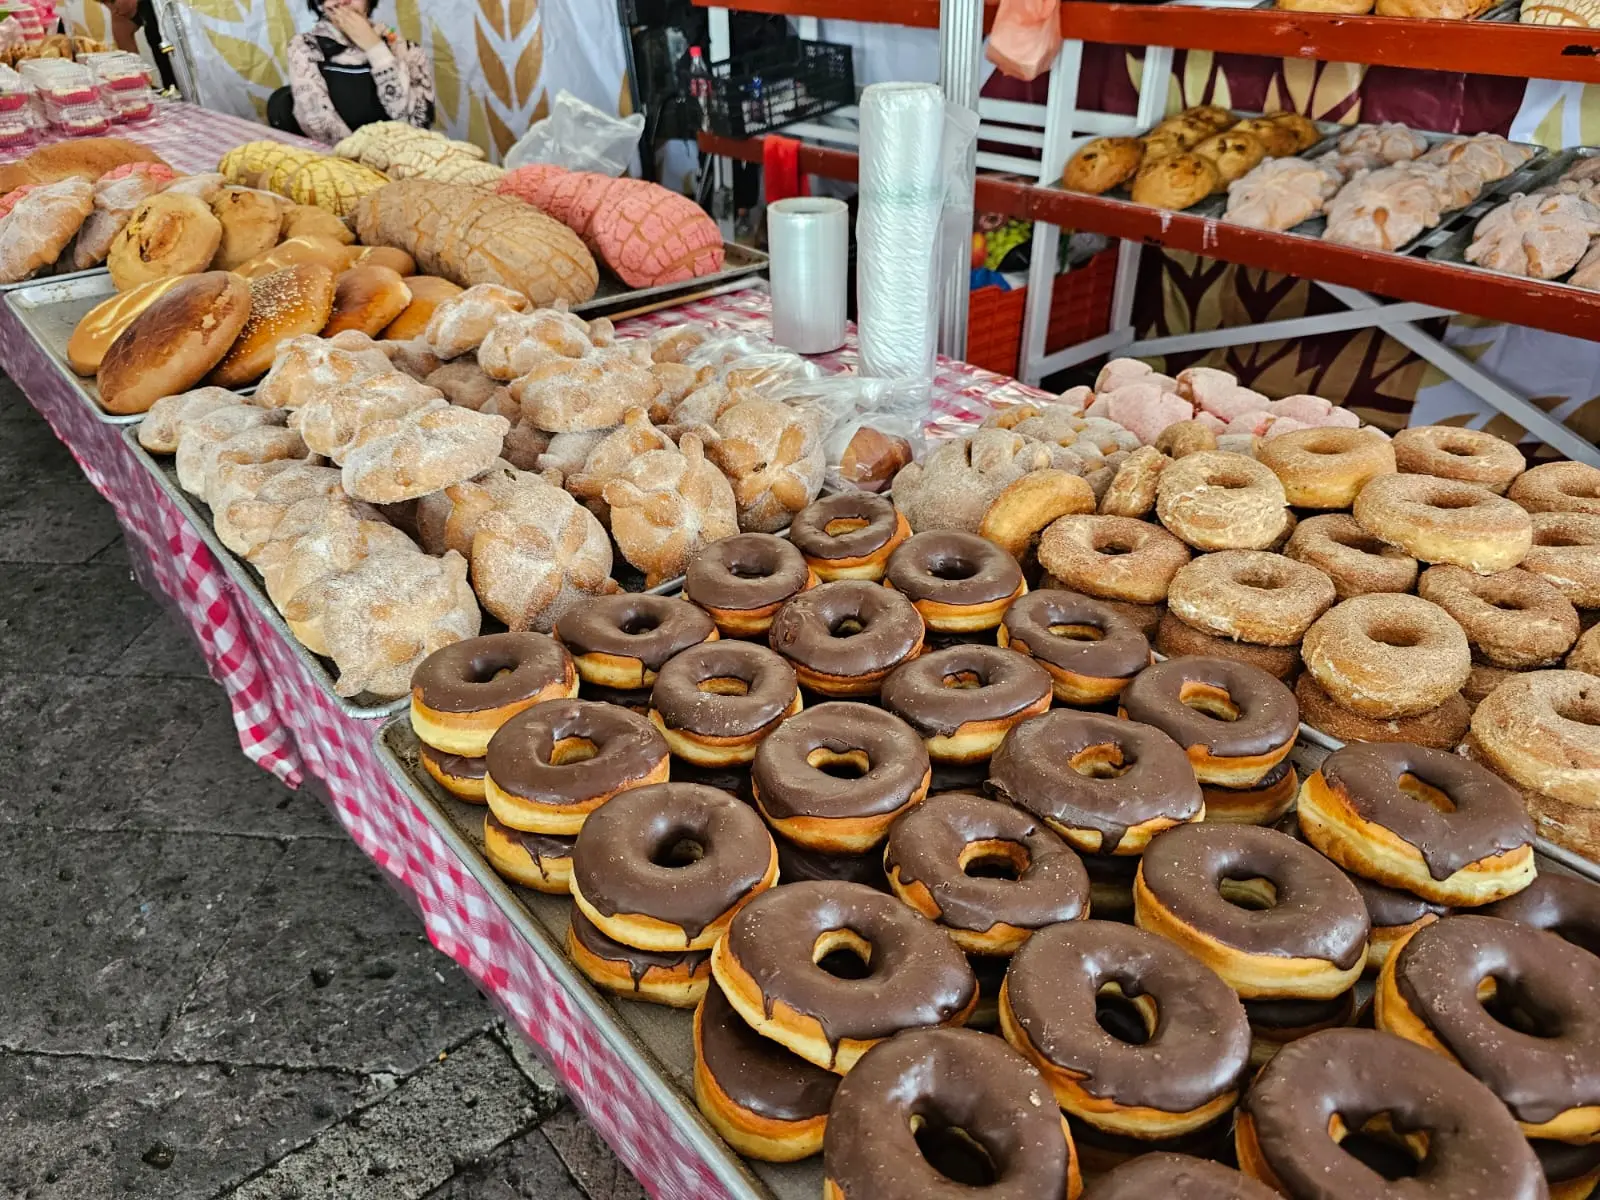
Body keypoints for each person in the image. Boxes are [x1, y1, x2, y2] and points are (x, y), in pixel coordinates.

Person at [271, 0, 433, 143]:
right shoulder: (305, 47)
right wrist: (358, 156)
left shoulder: (408, 51)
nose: (343, 2)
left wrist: (375, 48)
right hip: (337, 161)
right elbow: (319, 126)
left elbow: (417, 127)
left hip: (397, 158)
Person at [97, 0, 178, 90]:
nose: (113, 11)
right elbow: (132, 70)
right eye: (103, 3)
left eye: (113, 1)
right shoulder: (120, 15)